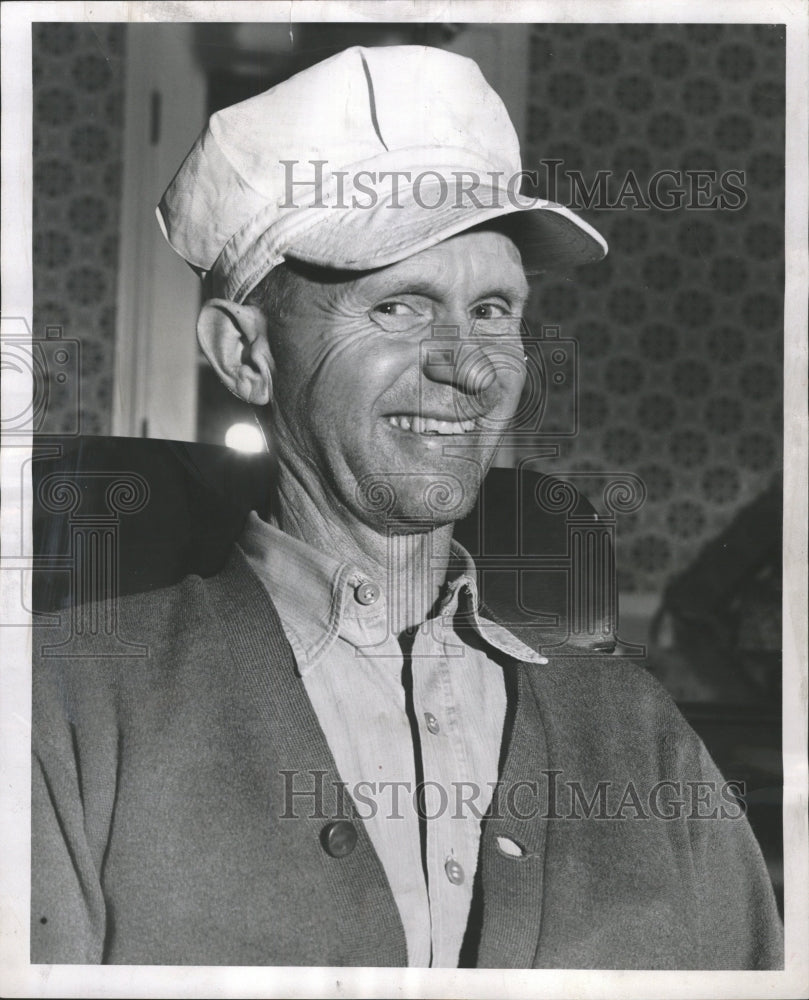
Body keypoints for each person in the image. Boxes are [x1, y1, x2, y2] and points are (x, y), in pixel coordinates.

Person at [31, 44, 783, 968]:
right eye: (397, 308)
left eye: (495, 310)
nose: (469, 367)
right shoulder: (58, 717)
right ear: (245, 354)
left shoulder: (638, 730)